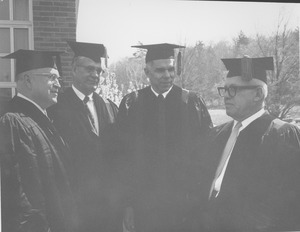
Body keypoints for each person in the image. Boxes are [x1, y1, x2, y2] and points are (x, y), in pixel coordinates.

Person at [197, 56, 300, 231]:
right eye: (225, 89)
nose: (226, 97)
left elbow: (292, 202)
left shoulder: (283, 135)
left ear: (258, 94)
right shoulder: (218, 133)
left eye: (234, 90)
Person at [117, 43, 213, 232]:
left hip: (186, 206)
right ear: (147, 71)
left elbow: (207, 152)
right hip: (145, 205)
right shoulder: (132, 104)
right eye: (160, 70)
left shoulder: (191, 102)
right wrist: (127, 204)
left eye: (171, 69)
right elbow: (122, 158)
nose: (167, 75)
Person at [0, 49, 78, 232]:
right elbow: (20, 194)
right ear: (27, 80)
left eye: (58, 78)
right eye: (51, 77)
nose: (59, 84)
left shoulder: (41, 118)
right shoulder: (13, 122)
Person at [47, 41, 120, 232]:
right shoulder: (56, 107)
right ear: (73, 69)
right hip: (74, 206)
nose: (95, 75)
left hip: (107, 207)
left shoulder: (109, 106)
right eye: (89, 69)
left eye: (99, 70)